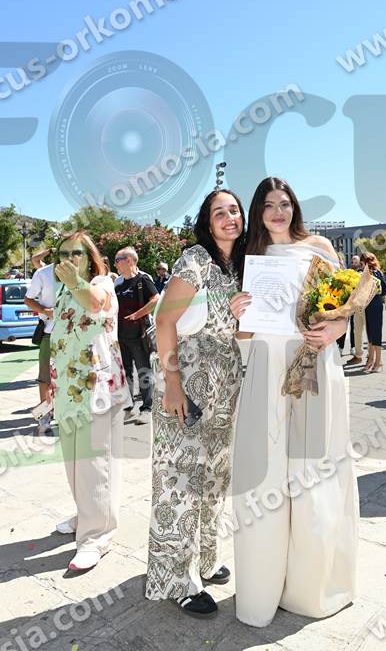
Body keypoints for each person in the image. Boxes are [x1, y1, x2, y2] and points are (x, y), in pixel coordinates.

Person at [230, 177, 358, 628]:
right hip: (266, 366)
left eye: (284, 203)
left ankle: (311, 585)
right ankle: (263, 586)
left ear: (295, 207)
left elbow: (345, 308)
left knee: (313, 468)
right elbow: (245, 334)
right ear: (258, 212)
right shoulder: (249, 257)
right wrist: (239, 316)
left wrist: (336, 330)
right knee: (264, 472)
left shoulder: (319, 246)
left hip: (314, 362)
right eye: (268, 205)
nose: (278, 212)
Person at [145, 190, 245, 618]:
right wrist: (172, 384)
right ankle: (175, 580)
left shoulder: (239, 266)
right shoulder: (196, 258)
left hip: (225, 382)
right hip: (186, 376)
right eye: (219, 212)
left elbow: (239, 331)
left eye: (234, 210)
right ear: (207, 221)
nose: (229, 217)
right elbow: (164, 319)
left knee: (214, 476)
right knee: (179, 479)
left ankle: (204, 559)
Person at [48, 231, 130, 570]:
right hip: (68, 391)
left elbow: (96, 303)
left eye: (77, 253)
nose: (69, 259)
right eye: (63, 253)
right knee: (75, 464)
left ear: (91, 257)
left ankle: (97, 535)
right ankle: (86, 514)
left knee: (97, 465)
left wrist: (76, 281)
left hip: (98, 390)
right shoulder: (63, 291)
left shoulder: (101, 283)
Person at [114, 247, 159, 425]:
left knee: (144, 372)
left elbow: (155, 299)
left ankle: (147, 408)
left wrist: (137, 315)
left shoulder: (143, 280)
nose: (115, 264)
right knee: (125, 373)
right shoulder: (118, 285)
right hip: (121, 336)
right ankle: (128, 407)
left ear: (129, 261)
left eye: (118, 260)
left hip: (139, 336)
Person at [24, 261, 57, 427]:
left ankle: (62, 412)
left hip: (75, 334)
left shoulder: (83, 270)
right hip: (49, 333)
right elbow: (28, 299)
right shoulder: (44, 273)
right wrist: (44, 311)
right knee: (45, 377)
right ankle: (44, 416)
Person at [360, 251, 386, 372]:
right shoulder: (367, 273)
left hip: (375, 305)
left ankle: (378, 361)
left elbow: (384, 290)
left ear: (364, 262)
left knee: (375, 333)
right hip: (369, 305)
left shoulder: (375, 273)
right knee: (370, 333)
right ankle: (370, 360)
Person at [345, 254, 366, 365]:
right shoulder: (348, 272)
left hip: (360, 305)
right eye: (352, 262)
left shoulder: (362, 273)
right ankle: (354, 352)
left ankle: (355, 348)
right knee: (352, 328)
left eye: (356, 262)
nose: (354, 264)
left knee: (358, 328)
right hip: (349, 304)